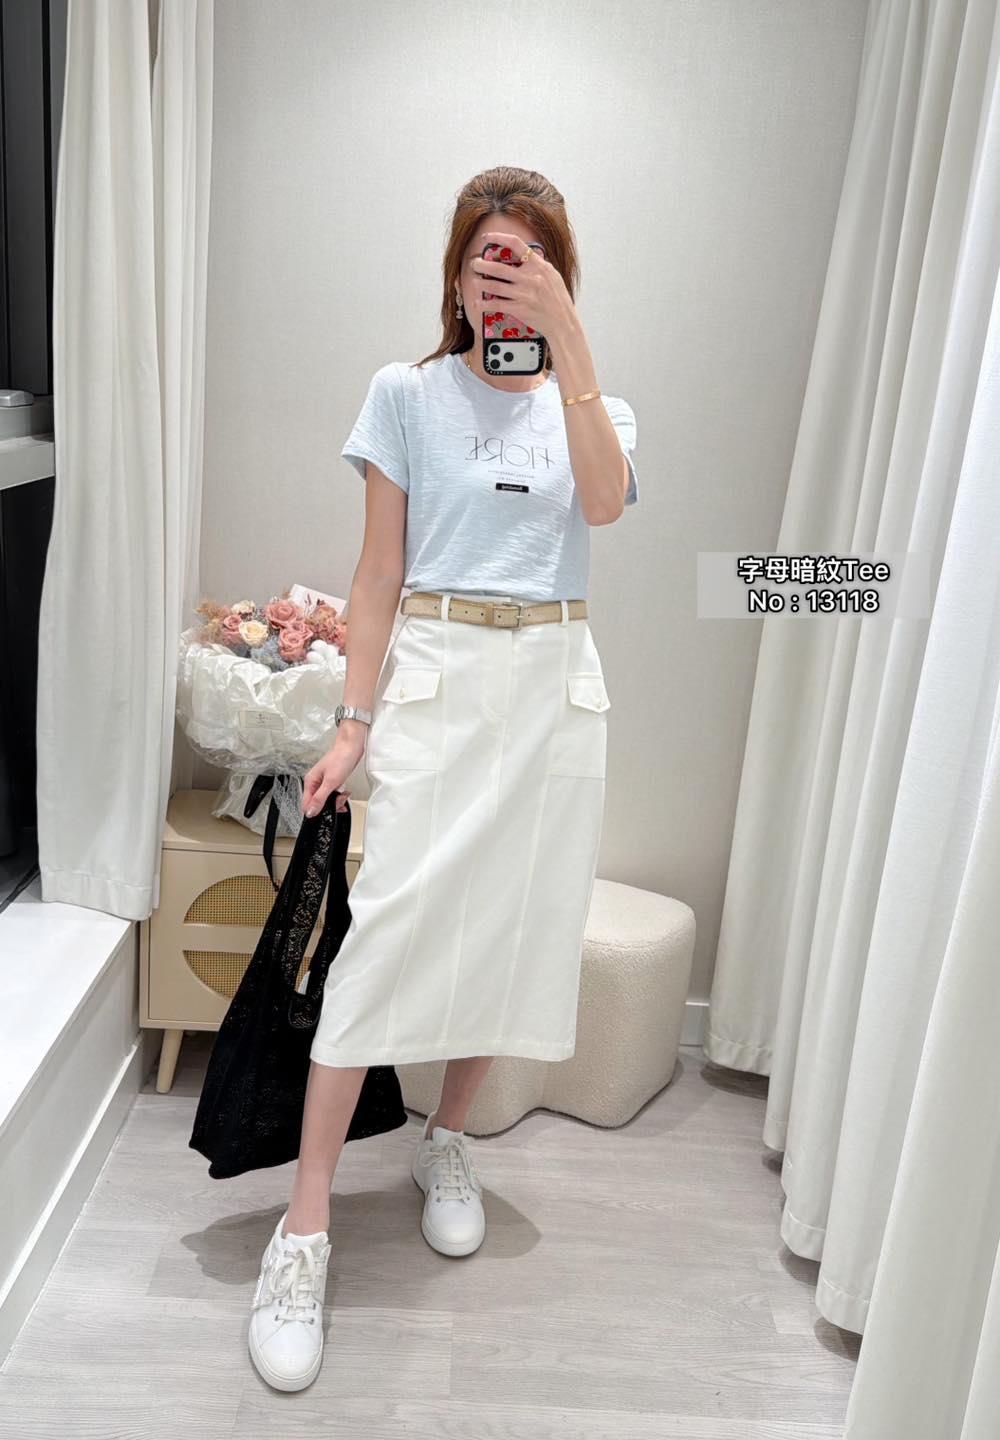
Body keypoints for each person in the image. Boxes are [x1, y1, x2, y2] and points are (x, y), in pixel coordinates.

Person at [247, 165, 638, 1392]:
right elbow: (376, 575)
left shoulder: (598, 407)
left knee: (508, 932)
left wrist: (569, 340)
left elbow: (607, 507)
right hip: (439, 671)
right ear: (455, 276)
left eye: (528, 263)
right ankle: (304, 1227)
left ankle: (446, 1140)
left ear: (562, 278)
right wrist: (351, 724)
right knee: (385, 943)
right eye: (485, 260)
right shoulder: (406, 394)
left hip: (552, 684)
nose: (501, 282)